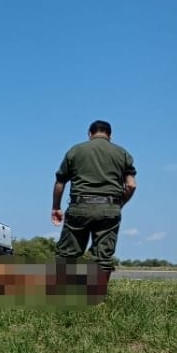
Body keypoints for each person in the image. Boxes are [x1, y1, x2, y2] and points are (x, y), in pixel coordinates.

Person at [52, 120, 137, 295]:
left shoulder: (75, 151)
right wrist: (119, 204)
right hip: (109, 208)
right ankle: (97, 300)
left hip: (80, 207)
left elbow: (60, 181)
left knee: (67, 255)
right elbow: (131, 185)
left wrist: (56, 207)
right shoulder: (122, 154)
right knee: (103, 257)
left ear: (90, 134)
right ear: (110, 135)